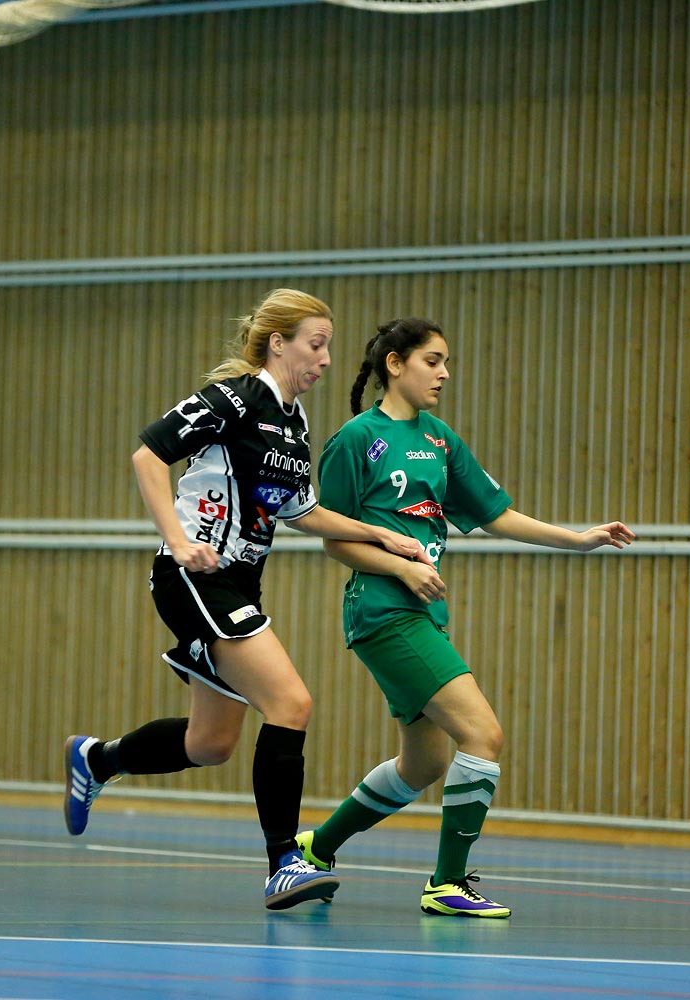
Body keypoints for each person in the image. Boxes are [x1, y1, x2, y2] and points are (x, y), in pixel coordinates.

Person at [62, 289, 432, 912]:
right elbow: (148, 454)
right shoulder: (232, 399)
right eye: (316, 344)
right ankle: (284, 861)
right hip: (196, 577)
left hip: (238, 584)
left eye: (329, 347)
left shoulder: (294, 422)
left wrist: (381, 533)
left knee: (211, 744)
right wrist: (178, 542)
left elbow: (301, 511)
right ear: (278, 343)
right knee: (291, 702)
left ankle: (98, 759)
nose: (325, 360)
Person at [294, 317, 636, 918]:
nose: (445, 373)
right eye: (433, 361)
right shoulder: (355, 440)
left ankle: (317, 849)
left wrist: (577, 540)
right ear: (395, 364)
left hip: (422, 613)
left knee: (423, 763)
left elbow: (496, 514)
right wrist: (400, 567)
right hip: (382, 611)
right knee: (484, 735)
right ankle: (447, 883)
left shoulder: (440, 440)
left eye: (446, 362)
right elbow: (333, 539)